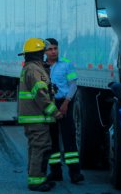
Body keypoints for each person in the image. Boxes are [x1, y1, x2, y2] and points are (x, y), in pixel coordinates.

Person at [18, 38, 63, 192]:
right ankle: (36, 181)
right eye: (43, 51)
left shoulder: (32, 68)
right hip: (36, 117)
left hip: (33, 117)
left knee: (36, 147)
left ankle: (37, 177)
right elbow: (41, 94)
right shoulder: (34, 70)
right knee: (40, 147)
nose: (45, 54)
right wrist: (54, 112)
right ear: (38, 53)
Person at [45, 38, 84, 184]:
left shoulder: (67, 64)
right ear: (45, 51)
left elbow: (73, 85)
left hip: (65, 102)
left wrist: (66, 103)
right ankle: (56, 172)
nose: (53, 51)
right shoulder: (42, 66)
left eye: (55, 48)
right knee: (52, 139)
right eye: (50, 49)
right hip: (49, 104)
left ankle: (75, 173)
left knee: (69, 138)